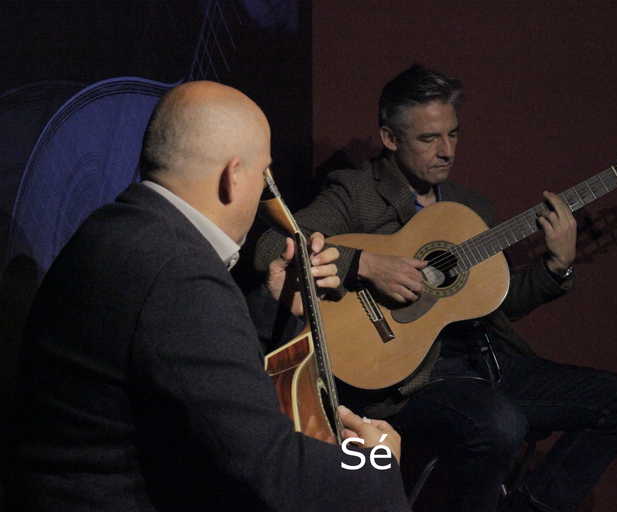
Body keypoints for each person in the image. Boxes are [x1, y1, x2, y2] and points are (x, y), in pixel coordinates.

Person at [254, 64, 617, 512]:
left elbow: (495, 304)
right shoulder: (357, 193)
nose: (446, 151)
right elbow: (275, 245)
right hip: (406, 381)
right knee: (501, 423)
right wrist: (366, 264)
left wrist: (556, 266)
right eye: (429, 139)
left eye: (454, 135)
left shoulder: (470, 208)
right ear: (390, 138)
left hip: (488, 365)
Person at [5, 81, 411, 512]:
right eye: (264, 174)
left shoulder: (115, 229)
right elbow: (272, 473)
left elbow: (181, 374)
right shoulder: (177, 269)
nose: (266, 193)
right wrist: (375, 463)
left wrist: (270, 304)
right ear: (233, 176)